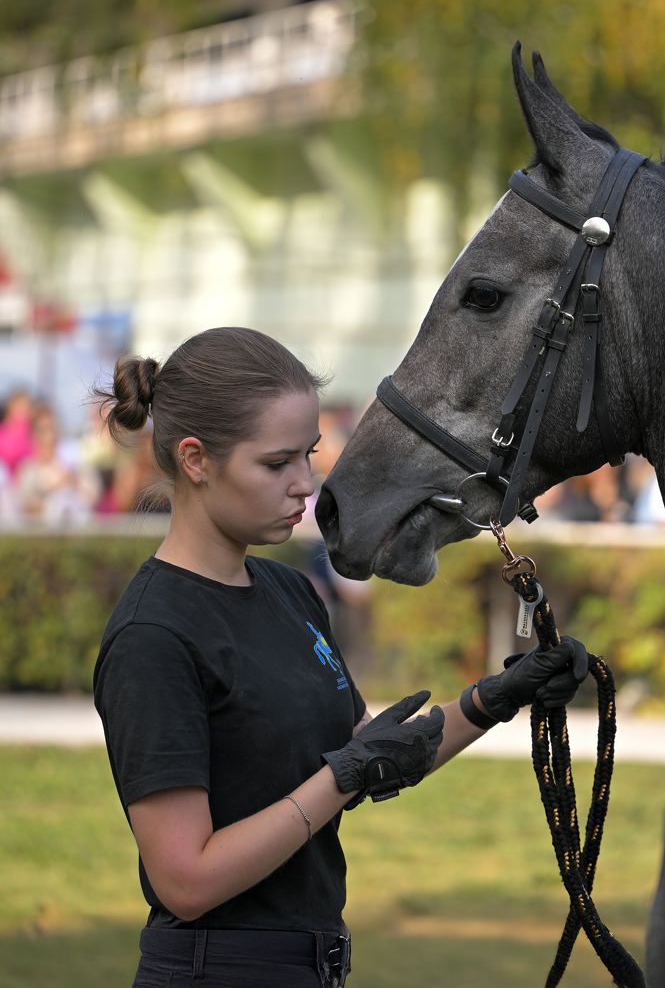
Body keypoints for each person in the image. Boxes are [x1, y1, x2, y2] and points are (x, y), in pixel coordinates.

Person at [92, 327, 587, 988]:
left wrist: (494, 700)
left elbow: (365, 754)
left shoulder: (289, 590)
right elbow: (186, 880)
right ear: (195, 460)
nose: (305, 485)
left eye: (310, 455)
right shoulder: (153, 634)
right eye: (276, 464)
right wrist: (342, 776)